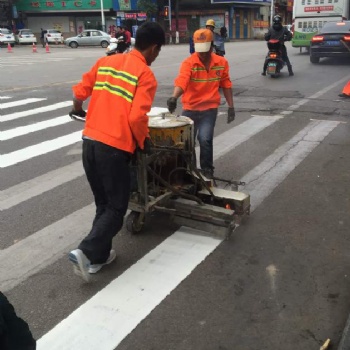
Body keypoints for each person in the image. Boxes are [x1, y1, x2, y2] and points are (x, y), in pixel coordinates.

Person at [68, 22, 166, 282]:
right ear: (154, 48)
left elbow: (80, 91)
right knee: (116, 207)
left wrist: (78, 108)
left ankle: (99, 258)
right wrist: (144, 142)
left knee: (104, 203)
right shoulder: (145, 74)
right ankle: (86, 251)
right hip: (113, 149)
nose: (156, 57)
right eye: (158, 52)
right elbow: (136, 118)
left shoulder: (106, 62)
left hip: (89, 143)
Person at [167, 28, 235, 180]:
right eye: (200, 50)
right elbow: (182, 80)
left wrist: (231, 107)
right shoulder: (189, 63)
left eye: (205, 50)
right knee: (186, 142)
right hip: (190, 108)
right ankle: (190, 170)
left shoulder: (221, 62)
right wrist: (174, 97)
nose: (202, 54)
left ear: (212, 46)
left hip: (209, 109)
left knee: (204, 139)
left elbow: (226, 84)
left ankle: (207, 169)